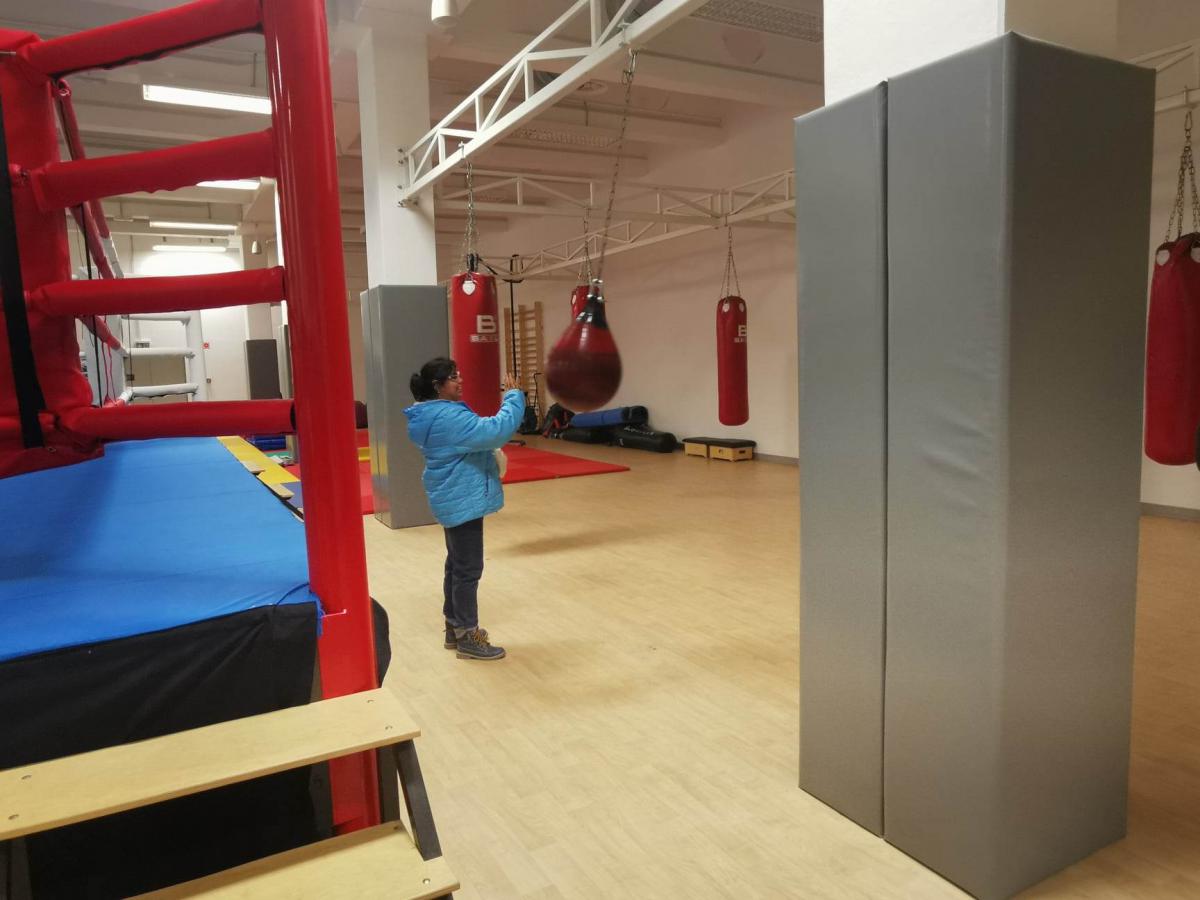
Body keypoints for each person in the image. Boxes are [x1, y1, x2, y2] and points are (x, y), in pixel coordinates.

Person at [405, 357, 524, 661]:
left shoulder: (430, 414)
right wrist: (513, 397)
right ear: (438, 386)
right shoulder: (446, 417)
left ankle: (454, 628)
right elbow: (496, 430)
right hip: (462, 497)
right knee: (468, 569)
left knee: (457, 565)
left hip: (453, 495)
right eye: (453, 377)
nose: (460, 381)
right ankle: (468, 636)